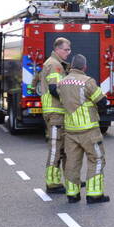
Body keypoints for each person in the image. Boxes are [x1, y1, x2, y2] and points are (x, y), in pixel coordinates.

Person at [58, 54, 109, 203]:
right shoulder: (88, 82)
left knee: (72, 162)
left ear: (71, 66)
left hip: (70, 130)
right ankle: (94, 194)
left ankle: (72, 195)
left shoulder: (62, 83)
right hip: (89, 130)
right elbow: (102, 102)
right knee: (97, 159)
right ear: (84, 67)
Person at [37, 37, 71, 193]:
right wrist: (71, 100)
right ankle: (52, 183)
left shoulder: (55, 63)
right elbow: (54, 89)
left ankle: (63, 180)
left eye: (69, 49)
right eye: (66, 49)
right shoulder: (54, 65)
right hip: (55, 112)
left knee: (62, 148)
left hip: (57, 112)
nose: (68, 53)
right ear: (57, 49)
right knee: (55, 148)